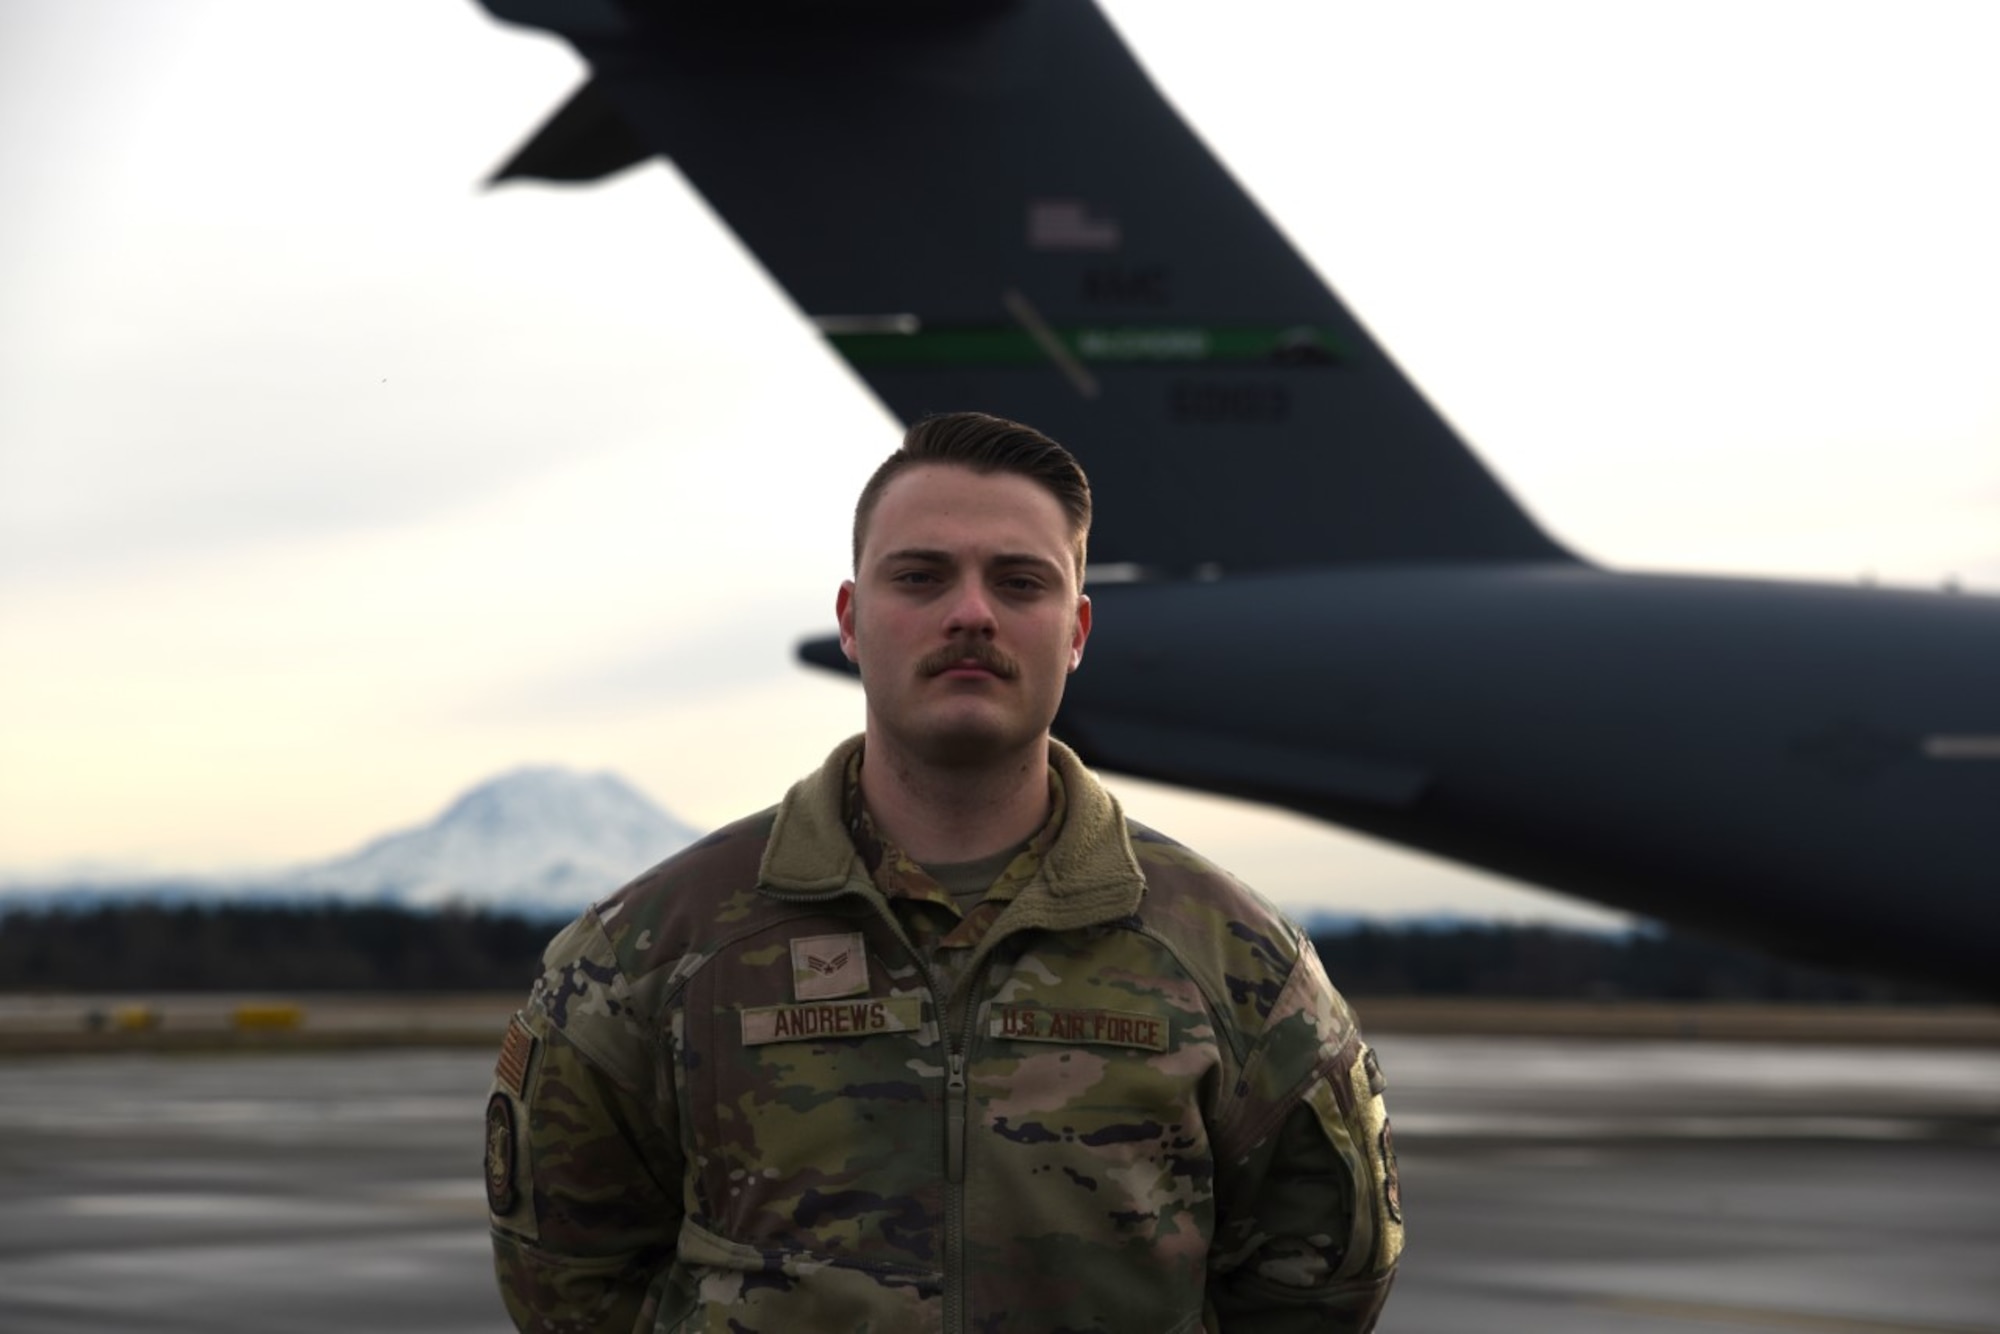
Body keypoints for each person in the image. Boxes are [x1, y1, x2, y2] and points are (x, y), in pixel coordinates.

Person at [485, 411, 1403, 1332]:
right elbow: (568, 1277)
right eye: (921, 577)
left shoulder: (1232, 959)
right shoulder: (653, 949)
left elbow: (1319, 1285)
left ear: (1076, 631)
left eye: (1019, 581)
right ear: (851, 622)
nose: (972, 612)